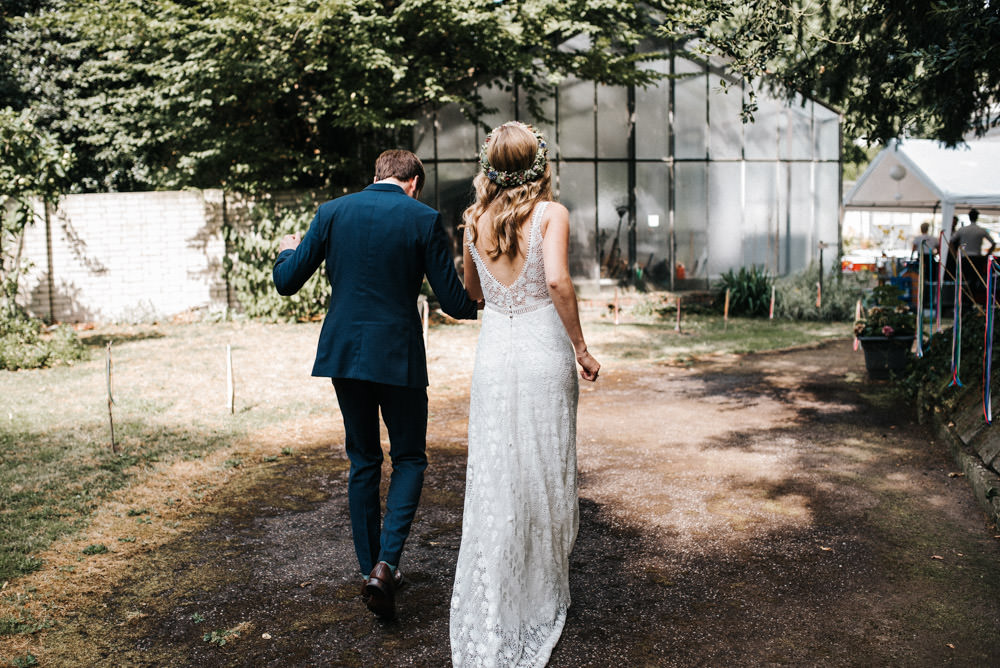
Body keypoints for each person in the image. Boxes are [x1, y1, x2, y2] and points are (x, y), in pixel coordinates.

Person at [272, 149, 479, 620]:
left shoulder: (332, 211)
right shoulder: (423, 219)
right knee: (408, 458)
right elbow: (455, 302)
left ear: (377, 177)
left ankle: (372, 571)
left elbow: (287, 281)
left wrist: (286, 248)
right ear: (413, 183)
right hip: (399, 357)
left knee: (363, 458)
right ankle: (386, 565)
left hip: (344, 355)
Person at [449, 121, 601, 667]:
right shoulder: (551, 214)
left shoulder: (472, 220)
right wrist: (581, 347)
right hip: (541, 349)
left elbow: (472, 294)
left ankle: (505, 581)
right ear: (540, 165)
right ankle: (540, 584)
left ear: (490, 167)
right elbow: (558, 281)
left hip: (495, 355)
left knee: (499, 471)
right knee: (543, 464)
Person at [949, 208, 995, 305]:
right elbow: (993, 243)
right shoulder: (980, 230)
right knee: (974, 281)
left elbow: (951, 241)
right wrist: (986, 255)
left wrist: (954, 254)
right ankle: (971, 301)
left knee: (965, 280)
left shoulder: (963, 230)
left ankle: (964, 301)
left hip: (965, 258)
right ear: (977, 217)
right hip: (976, 258)